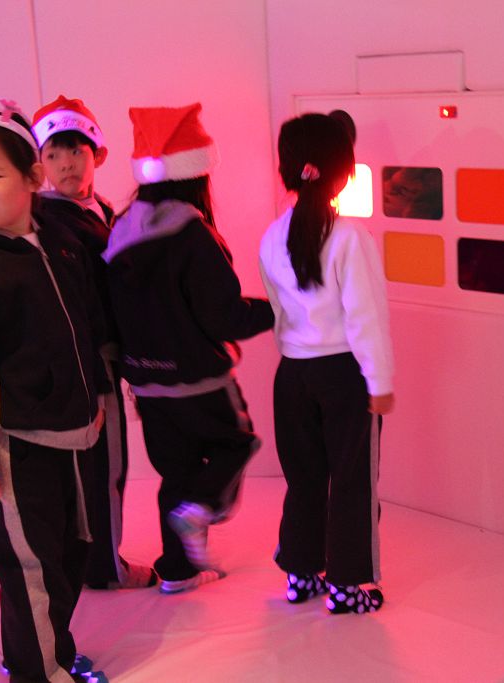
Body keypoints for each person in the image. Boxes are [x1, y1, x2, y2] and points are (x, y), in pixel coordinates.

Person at [0, 80, 108, 682]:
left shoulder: (56, 242)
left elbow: (81, 324)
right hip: (14, 444)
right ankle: (38, 672)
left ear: (33, 177)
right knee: (30, 565)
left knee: (71, 551)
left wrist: (91, 396)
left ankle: (51, 650)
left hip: (71, 433)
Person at [102, 103, 274, 594]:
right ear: (197, 174)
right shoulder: (194, 236)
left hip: (147, 386)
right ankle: (201, 508)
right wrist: (279, 310)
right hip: (201, 381)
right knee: (236, 444)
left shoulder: (119, 230)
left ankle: (177, 571)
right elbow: (224, 317)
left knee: (175, 473)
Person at [258, 112, 394, 615]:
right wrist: (380, 381)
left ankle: (300, 574)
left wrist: (296, 354)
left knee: (305, 478)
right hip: (345, 376)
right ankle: (347, 584)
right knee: (353, 481)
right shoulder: (350, 237)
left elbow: (278, 311)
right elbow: (365, 318)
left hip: (292, 375)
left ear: (288, 170)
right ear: (343, 170)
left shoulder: (272, 235)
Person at [32, 95, 156, 591]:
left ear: (98, 154)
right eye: (53, 154)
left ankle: (83, 558)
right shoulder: (50, 219)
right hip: (85, 363)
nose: (66, 163)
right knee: (104, 466)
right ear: (39, 164)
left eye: (76, 150)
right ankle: (104, 567)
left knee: (95, 466)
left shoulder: (99, 209)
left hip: (100, 357)